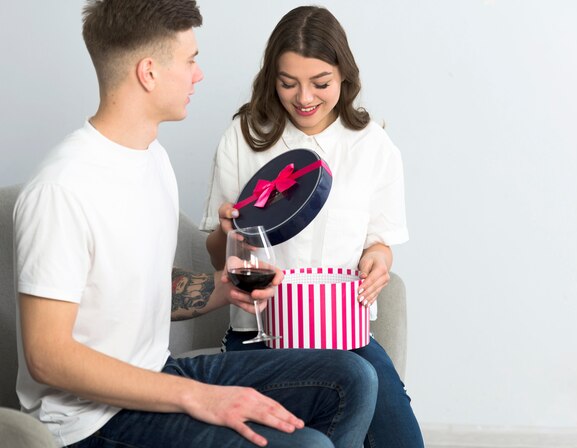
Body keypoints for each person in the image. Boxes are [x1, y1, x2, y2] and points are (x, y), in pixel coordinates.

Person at [13, 1, 379, 447]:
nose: (199, 74)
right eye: (190, 60)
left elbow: (135, 290)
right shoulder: (62, 190)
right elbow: (47, 357)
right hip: (91, 421)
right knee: (308, 445)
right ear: (149, 72)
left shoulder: (152, 161)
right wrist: (198, 397)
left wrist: (225, 288)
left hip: (155, 374)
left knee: (352, 377)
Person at [201, 6, 424, 448]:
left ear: (344, 76)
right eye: (288, 83)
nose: (304, 97)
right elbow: (217, 257)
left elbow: (379, 244)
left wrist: (378, 260)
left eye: (320, 83)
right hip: (259, 337)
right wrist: (228, 235)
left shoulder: (374, 148)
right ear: (272, 78)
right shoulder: (244, 136)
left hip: (345, 336)